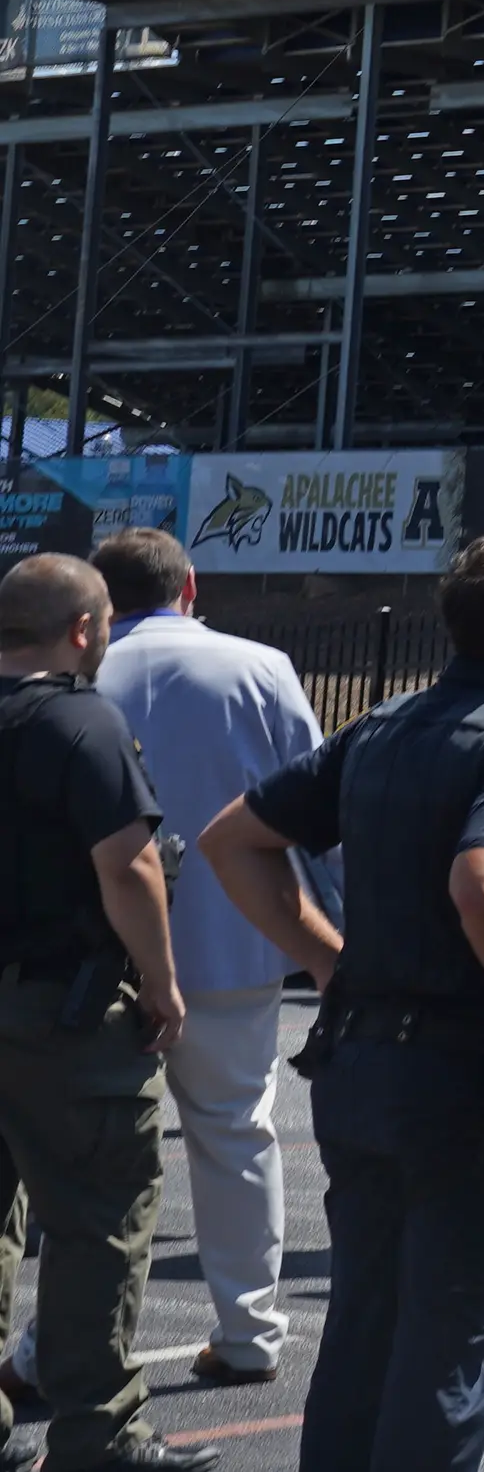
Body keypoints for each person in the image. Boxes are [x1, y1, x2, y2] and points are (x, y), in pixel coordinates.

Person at [201, 533, 484, 1472]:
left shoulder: (383, 724)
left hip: (358, 1062)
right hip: (464, 1075)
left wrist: (327, 959)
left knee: (362, 1329)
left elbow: (234, 841)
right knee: (448, 1341)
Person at [79, 525, 319, 1396]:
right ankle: (249, 1329)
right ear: (191, 587)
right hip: (234, 942)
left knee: (93, 1159)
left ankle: (63, 1345)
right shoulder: (261, 667)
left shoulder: (79, 674)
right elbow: (314, 798)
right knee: (236, 1137)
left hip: (96, 955)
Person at [0, 552, 207, 1472]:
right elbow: (128, 865)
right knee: (98, 1220)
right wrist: (161, 984)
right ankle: (100, 1433)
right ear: (86, 630)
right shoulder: (80, 721)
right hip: (64, 1015)